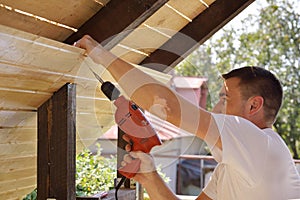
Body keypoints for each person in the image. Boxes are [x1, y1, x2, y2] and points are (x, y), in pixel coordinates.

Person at [75, 35, 300, 200]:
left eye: (225, 98)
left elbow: (169, 107)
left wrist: (99, 53)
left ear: (254, 105)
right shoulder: (233, 167)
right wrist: (151, 176)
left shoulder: (256, 140)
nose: (215, 107)